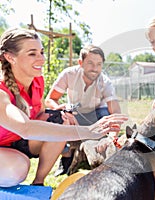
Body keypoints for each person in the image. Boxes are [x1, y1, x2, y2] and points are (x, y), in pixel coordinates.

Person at [0, 27, 128, 187]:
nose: (41, 59)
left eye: (41, 52)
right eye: (32, 53)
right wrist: (89, 131)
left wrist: (58, 115)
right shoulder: (1, 91)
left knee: (61, 119)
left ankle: (38, 183)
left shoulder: (37, 81)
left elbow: (38, 114)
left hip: (16, 142)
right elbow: (25, 128)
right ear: (10, 57)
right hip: (7, 145)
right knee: (18, 168)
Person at [45, 44, 122, 176]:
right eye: (90, 63)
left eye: (99, 64)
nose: (95, 68)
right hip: (75, 113)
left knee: (105, 114)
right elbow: (50, 100)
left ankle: (99, 156)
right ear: (80, 63)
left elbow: (115, 111)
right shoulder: (69, 74)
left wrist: (113, 136)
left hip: (96, 114)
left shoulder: (105, 82)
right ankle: (66, 154)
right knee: (53, 116)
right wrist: (60, 110)